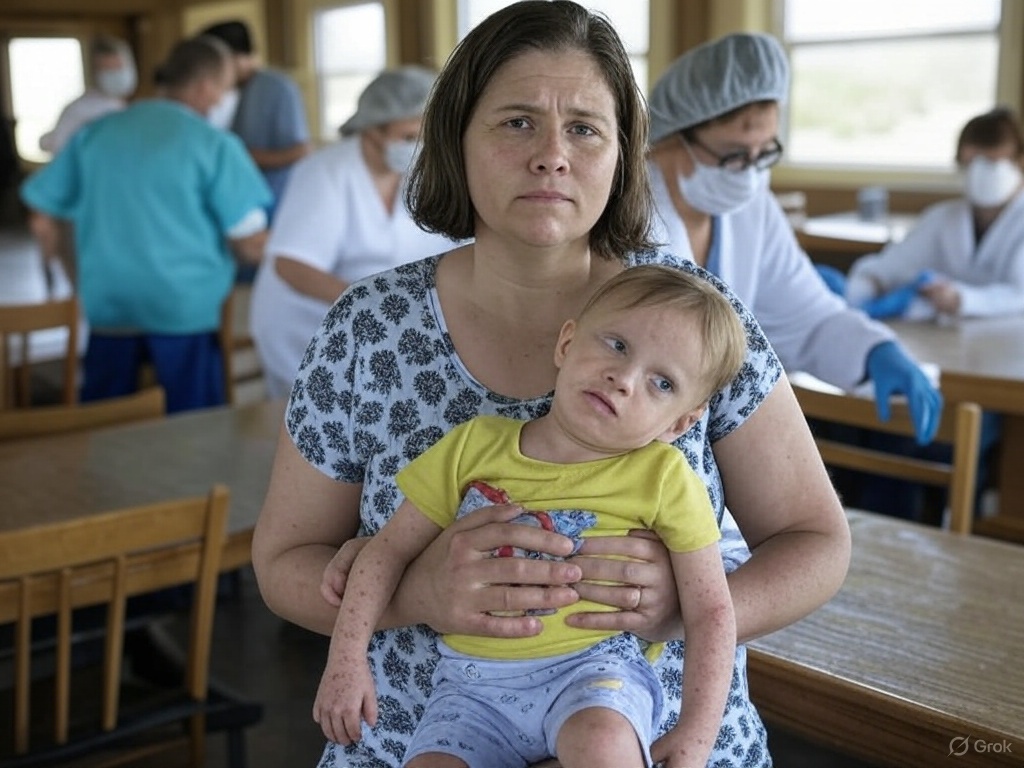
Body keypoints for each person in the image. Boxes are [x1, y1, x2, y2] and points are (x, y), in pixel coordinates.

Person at [251, 3, 851, 767]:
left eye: (585, 129)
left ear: (622, 154)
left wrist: (685, 607)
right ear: (456, 139)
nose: (552, 157)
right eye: (517, 123)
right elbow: (283, 563)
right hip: (411, 744)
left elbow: (818, 542)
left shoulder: (695, 319)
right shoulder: (369, 329)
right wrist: (417, 593)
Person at [314, 266, 745, 768]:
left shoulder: (665, 478)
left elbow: (712, 611)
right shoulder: (472, 446)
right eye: (617, 345)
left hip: (595, 677)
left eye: (662, 382)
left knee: (602, 746)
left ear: (679, 423)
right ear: (567, 343)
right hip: (468, 690)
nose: (623, 380)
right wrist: (345, 660)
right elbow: (382, 553)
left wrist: (696, 734)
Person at [646, 31, 943, 446]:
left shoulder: (751, 208)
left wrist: (873, 351)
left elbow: (806, 316)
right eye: (734, 154)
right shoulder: (630, 210)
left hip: (711, 436)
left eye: (764, 152)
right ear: (674, 135)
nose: (749, 172)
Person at [20, 35, 272, 414]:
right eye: (225, 89)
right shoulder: (213, 144)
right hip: (184, 309)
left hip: (109, 303)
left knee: (105, 424)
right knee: (195, 427)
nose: (224, 99)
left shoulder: (96, 134)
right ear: (206, 87)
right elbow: (250, 242)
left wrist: (77, 278)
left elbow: (44, 218)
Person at [250, 65, 453, 399]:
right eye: (407, 136)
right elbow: (292, 265)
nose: (418, 146)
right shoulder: (326, 171)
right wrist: (374, 305)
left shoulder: (420, 173)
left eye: (425, 135)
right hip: (304, 326)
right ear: (372, 130)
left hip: (375, 328)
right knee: (312, 422)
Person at [844, 107, 1024, 320]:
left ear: (1019, 161)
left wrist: (961, 299)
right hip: (945, 342)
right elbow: (889, 268)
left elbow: (1019, 295)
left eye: (990, 163)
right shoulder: (942, 218)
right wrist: (865, 288)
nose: (978, 173)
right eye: (969, 164)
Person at [201, 19, 311, 217]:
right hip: (232, 200)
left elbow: (300, 151)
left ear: (237, 57)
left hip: (272, 201)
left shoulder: (276, 87)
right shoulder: (223, 91)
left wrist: (238, 155)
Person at [39, 35, 137, 156]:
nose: (114, 75)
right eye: (107, 69)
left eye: (118, 67)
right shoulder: (78, 110)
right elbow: (58, 150)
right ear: (95, 72)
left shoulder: (123, 106)